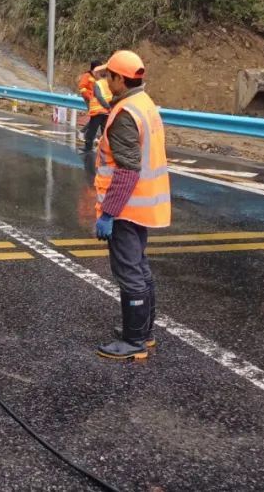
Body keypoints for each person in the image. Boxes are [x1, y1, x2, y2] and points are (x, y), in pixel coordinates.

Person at [93, 50, 171, 361]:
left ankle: (134, 342)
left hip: (126, 207)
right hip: (143, 205)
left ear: (120, 79)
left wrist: (109, 213)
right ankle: (144, 333)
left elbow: (127, 169)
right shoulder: (144, 103)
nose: (106, 81)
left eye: (109, 76)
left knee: (129, 272)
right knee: (139, 268)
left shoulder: (126, 113)